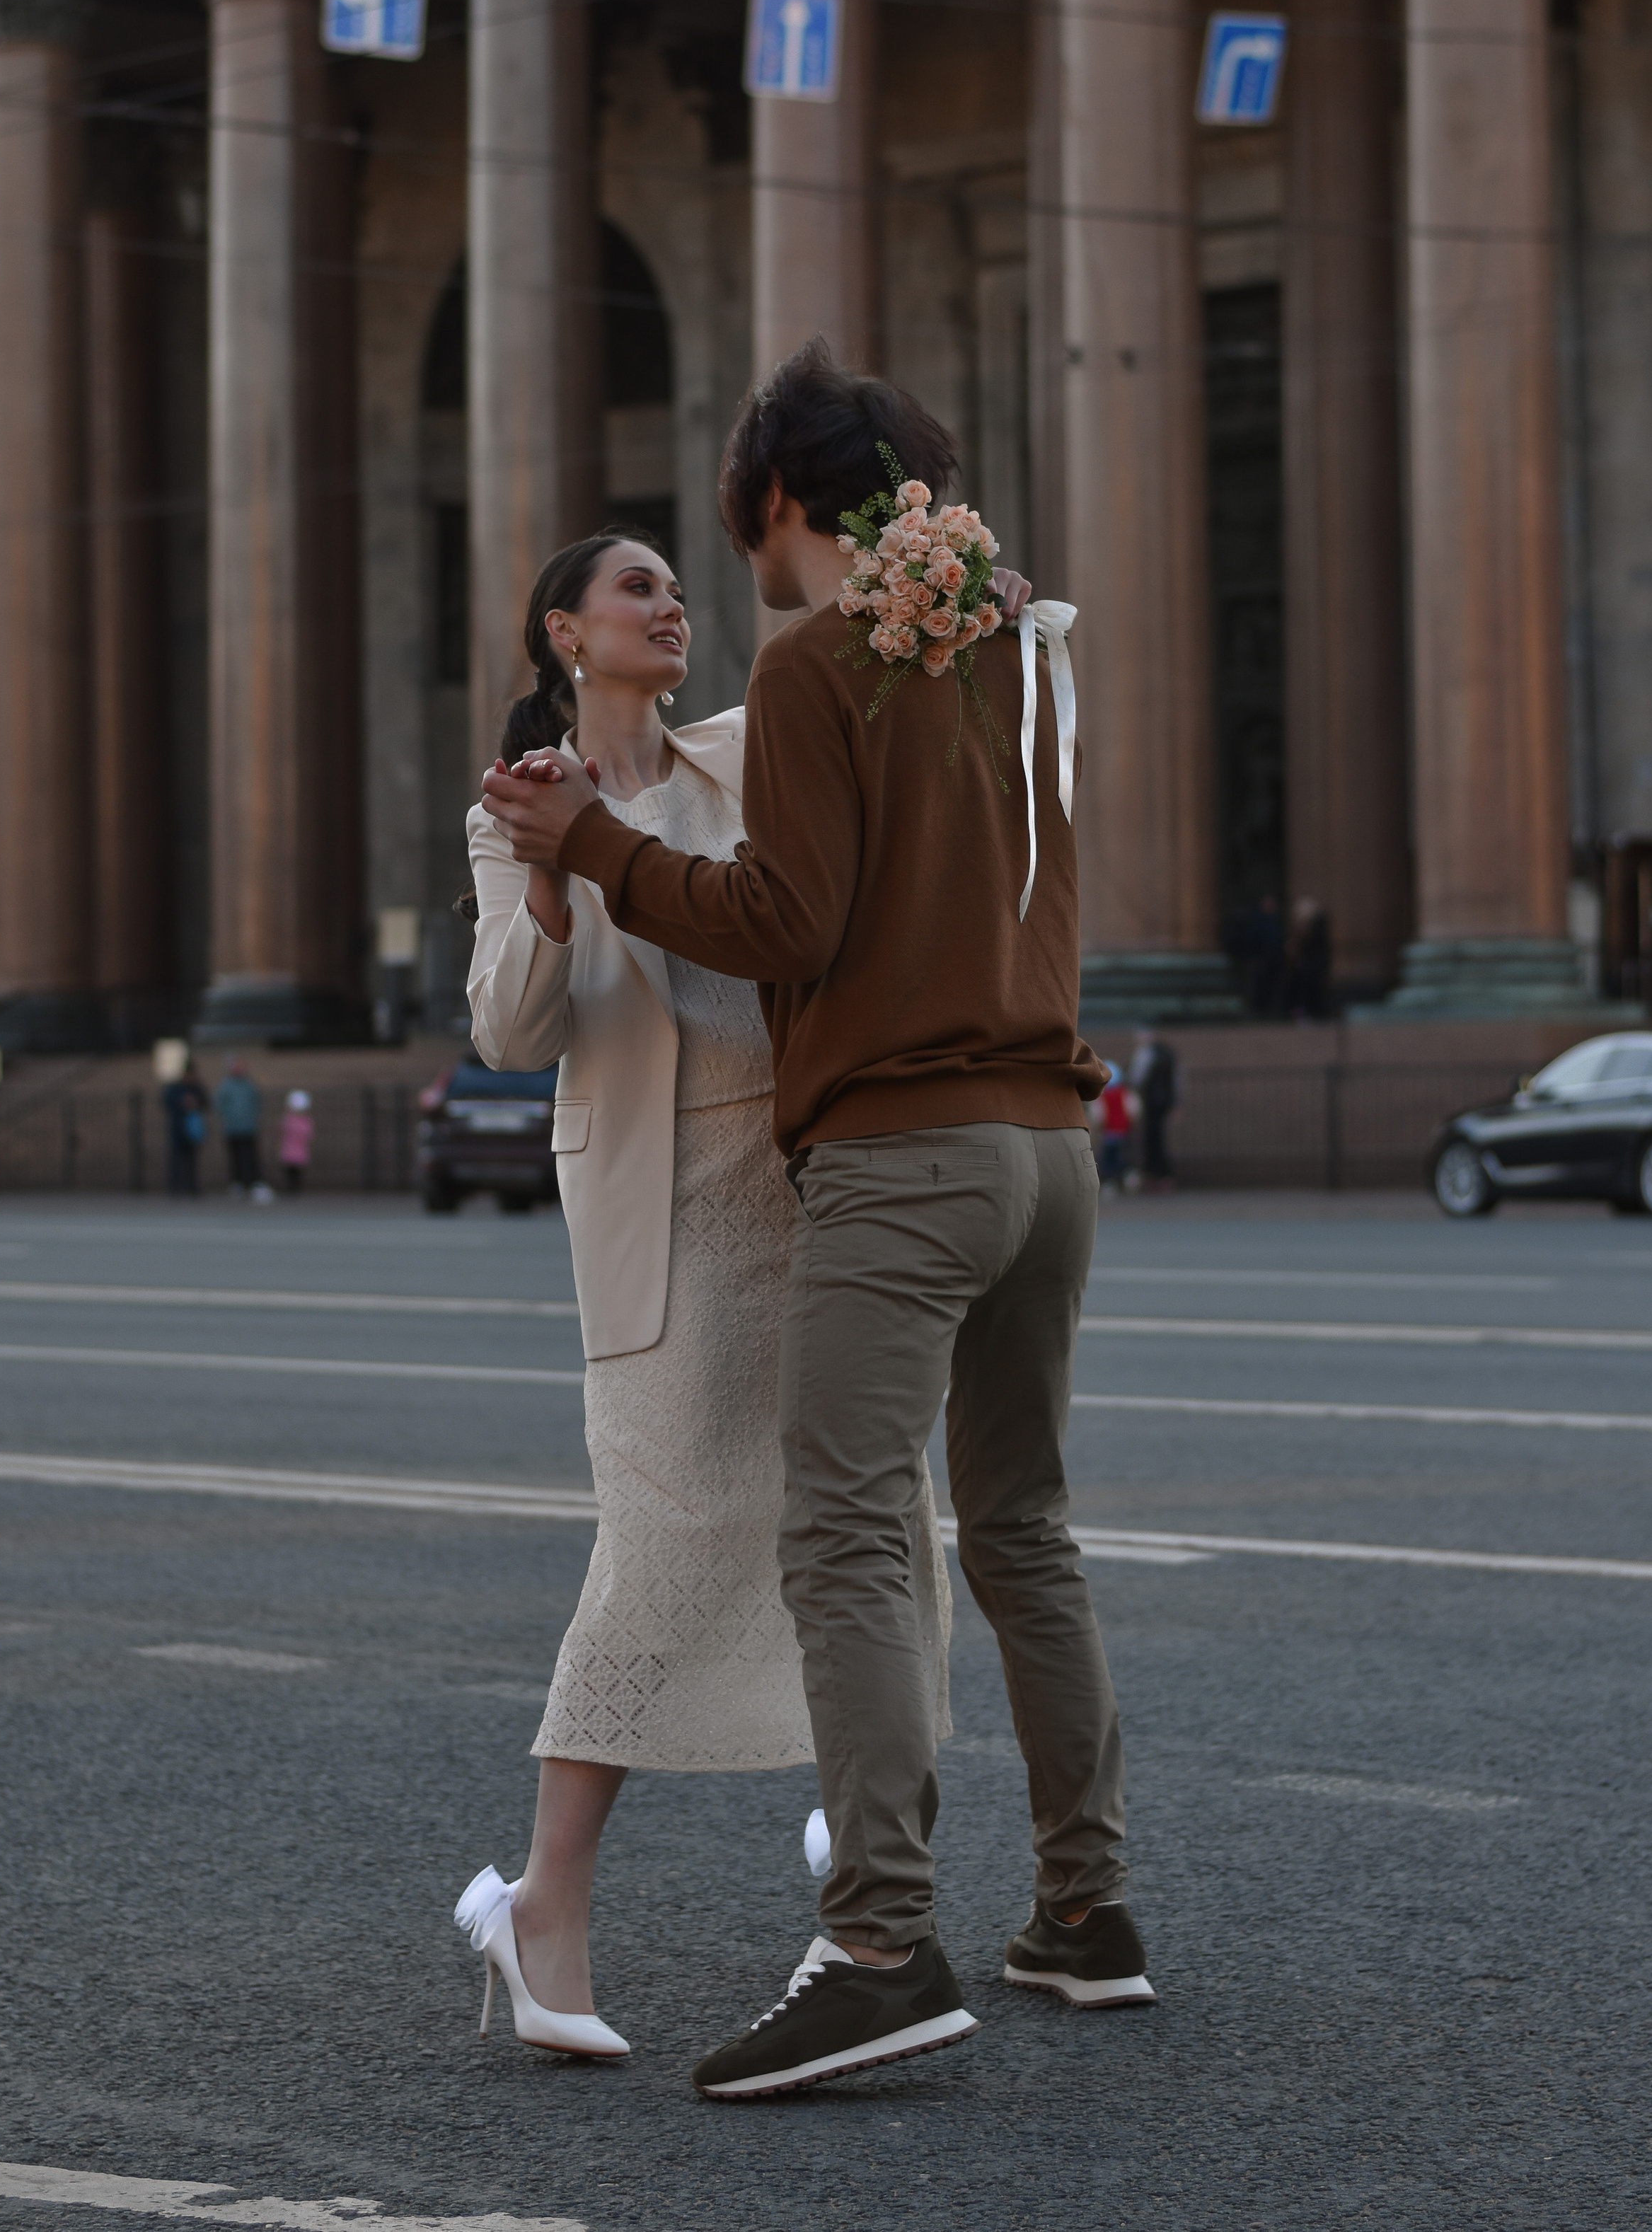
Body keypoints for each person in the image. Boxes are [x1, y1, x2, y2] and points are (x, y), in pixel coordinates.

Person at [489, 338, 1153, 2101]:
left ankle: (874, 1947)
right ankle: (1082, 1911)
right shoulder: (1018, 646)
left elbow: (785, 920)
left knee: (848, 1533)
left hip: (907, 1149)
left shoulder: (811, 662)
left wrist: (596, 849)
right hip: (1050, 1142)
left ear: (776, 497)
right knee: (1021, 1529)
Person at [454, 527, 955, 2064]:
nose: (670, 604)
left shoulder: (740, 749)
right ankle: (541, 1900)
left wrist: (952, 598)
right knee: (661, 1541)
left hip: (808, 1177)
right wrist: (551, 879)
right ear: (564, 632)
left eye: (678, 586)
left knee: (875, 1506)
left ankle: (866, 1836)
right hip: (660, 1205)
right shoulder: (518, 801)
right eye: (636, 587)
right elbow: (507, 1032)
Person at [1128, 1030, 1177, 1190]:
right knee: (1158, 1138)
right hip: (1164, 1102)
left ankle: (1155, 1174)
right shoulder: (1167, 1054)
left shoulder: (1145, 1053)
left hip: (1151, 1101)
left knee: (1152, 1138)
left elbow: (1137, 1078)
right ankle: (1163, 1175)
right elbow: (1177, 1080)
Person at [215, 1058, 266, 1198]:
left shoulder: (249, 1085)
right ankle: (237, 1183)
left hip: (249, 1127)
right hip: (232, 1128)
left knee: (250, 1157)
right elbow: (220, 1103)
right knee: (235, 1157)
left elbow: (257, 1101)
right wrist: (229, 1117)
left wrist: (252, 1116)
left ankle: (254, 1183)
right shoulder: (226, 1086)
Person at [161, 1058, 209, 1197]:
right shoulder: (175, 1088)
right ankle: (175, 1187)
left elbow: (205, 1102)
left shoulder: (196, 1088)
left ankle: (191, 1186)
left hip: (192, 1129)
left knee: (191, 1159)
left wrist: (195, 1102)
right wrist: (181, 1102)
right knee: (176, 1159)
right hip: (178, 1128)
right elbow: (167, 1102)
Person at [1090, 1060, 1132, 1196]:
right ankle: (1128, 1177)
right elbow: (1132, 1110)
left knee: (1108, 1159)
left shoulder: (1102, 1096)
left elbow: (1098, 1115)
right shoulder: (1124, 1093)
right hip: (1123, 1131)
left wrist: (1098, 1126)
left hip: (1108, 1132)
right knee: (1122, 1156)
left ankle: (1110, 1183)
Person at [277, 1089, 313, 1193]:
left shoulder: (302, 1120)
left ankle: (295, 1187)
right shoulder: (290, 1119)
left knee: (296, 1171)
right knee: (289, 1171)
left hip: (297, 1151)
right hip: (290, 1151)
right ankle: (290, 1187)